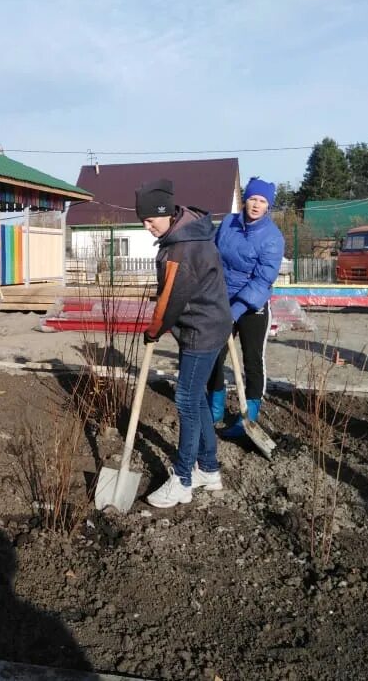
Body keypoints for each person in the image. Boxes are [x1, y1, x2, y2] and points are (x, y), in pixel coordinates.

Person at [135, 179, 233, 508]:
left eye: (151, 220)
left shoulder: (181, 249)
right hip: (209, 324)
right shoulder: (187, 233)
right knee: (198, 400)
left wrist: (153, 330)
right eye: (143, 222)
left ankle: (183, 480)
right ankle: (208, 468)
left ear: (166, 213)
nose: (148, 227)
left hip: (200, 331)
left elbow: (170, 301)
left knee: (186, 401)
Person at [208, 177, 285, 439]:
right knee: (214, 356)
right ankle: (215, 408)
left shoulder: (273, 237)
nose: (256, 205)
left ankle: (248, 416)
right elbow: (210, 252)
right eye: (253, 198)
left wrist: (237, 309)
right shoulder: (228, 223)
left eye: (262, 201)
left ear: (268, 206)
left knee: (252, 359)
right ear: (245, 199)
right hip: (222, 300)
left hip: (253, 307)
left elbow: (263, 279)